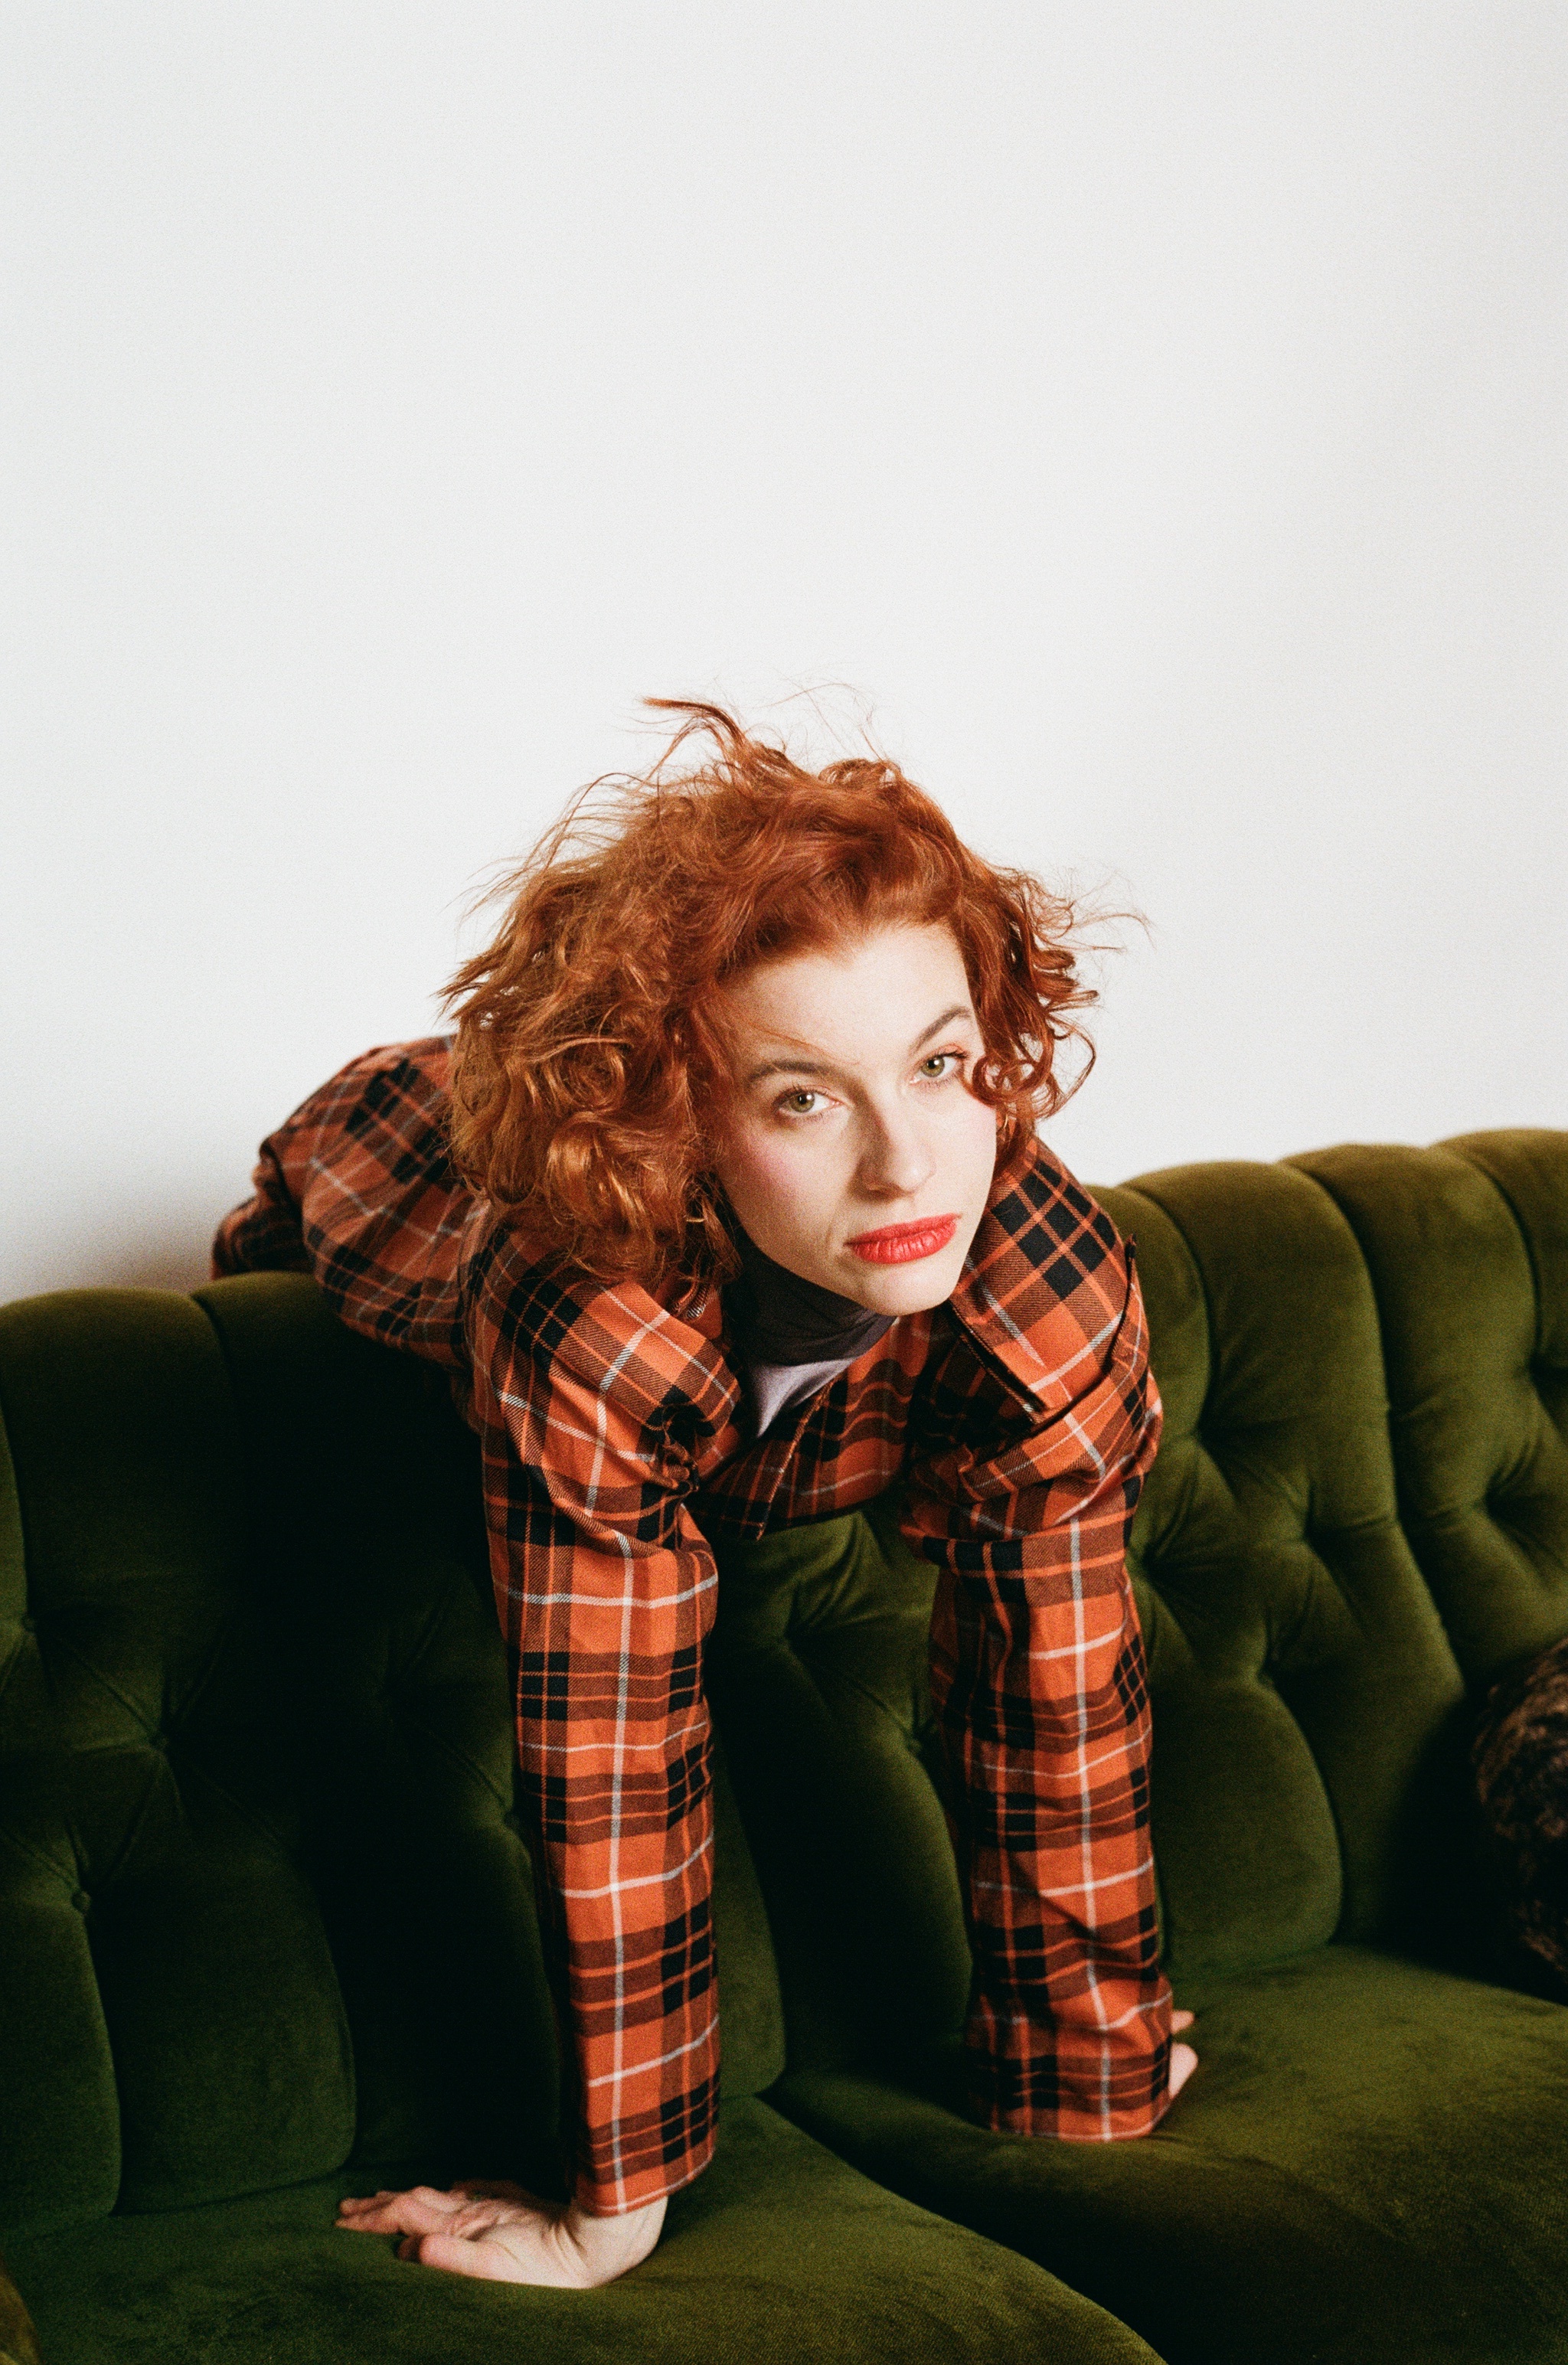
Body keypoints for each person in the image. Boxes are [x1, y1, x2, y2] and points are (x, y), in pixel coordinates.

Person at [214, 702, 1197, 2290]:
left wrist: (1090, 2060)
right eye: (803, 1095)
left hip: (746, 1386)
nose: (905, 1165)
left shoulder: (1046, 1280)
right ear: (682, 1120)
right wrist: (611, 2209)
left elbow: (1058, 1694)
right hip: (419, 1188)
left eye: (940, 1065)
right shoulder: (582, 1300)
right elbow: (610, 1746)